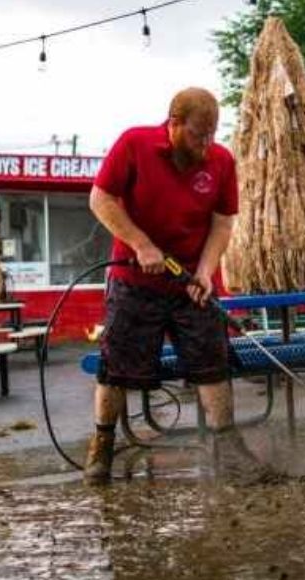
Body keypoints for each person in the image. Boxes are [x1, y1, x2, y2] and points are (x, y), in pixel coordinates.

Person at [84, 87, 250, 484]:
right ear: (173, 125)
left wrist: (207, 271)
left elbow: (223, 222)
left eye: (212, 134)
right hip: (134, 280)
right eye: (197, 134)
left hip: (191, 281)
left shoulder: (221, 161)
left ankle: (228, 446)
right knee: (116, 366)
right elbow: (100, 198)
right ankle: (102, 446)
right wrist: (141, 244)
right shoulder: (135, 143)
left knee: (213, 362)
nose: (206, 144)